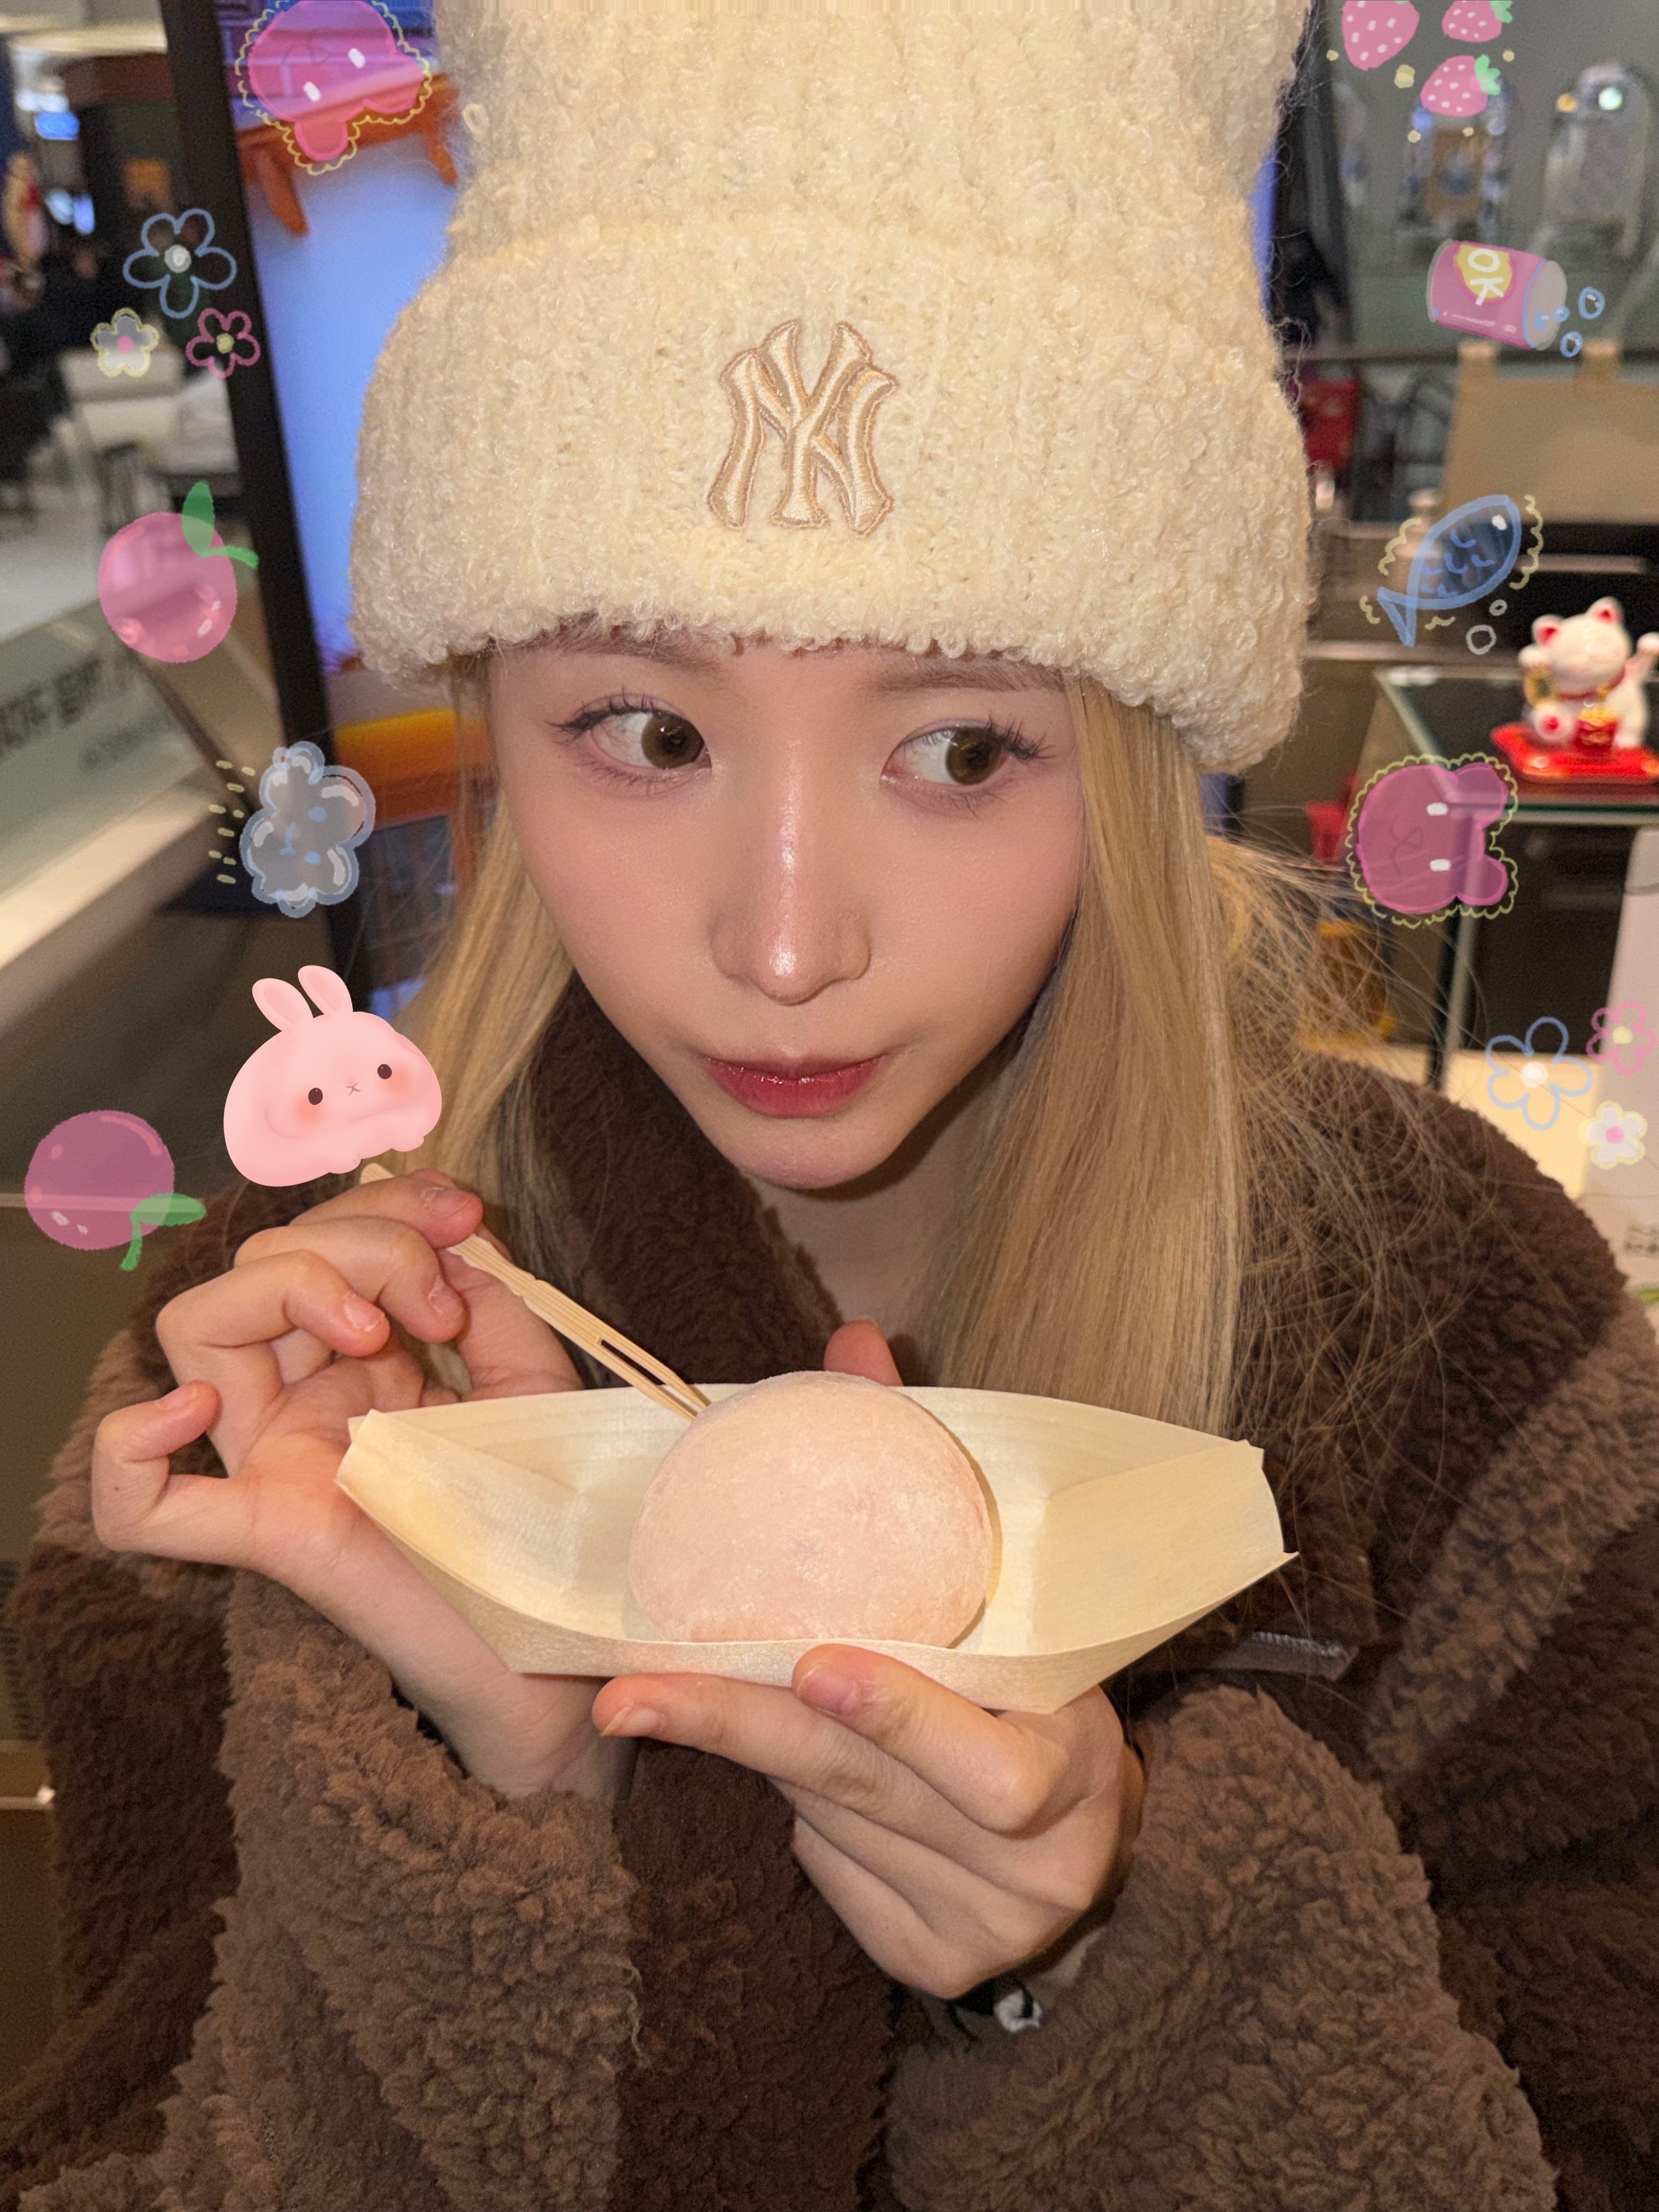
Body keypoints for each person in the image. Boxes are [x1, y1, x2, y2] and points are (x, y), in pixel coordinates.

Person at [5, 4, 1658, 2208]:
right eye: (646, 731)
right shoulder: (276, 1398)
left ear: (1135, 756)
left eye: (962, 748)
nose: (785, 946)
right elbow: (109, 2147)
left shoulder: (1463, 1333)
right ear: (494, 715)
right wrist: (498, 1815)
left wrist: (1125, 1956)